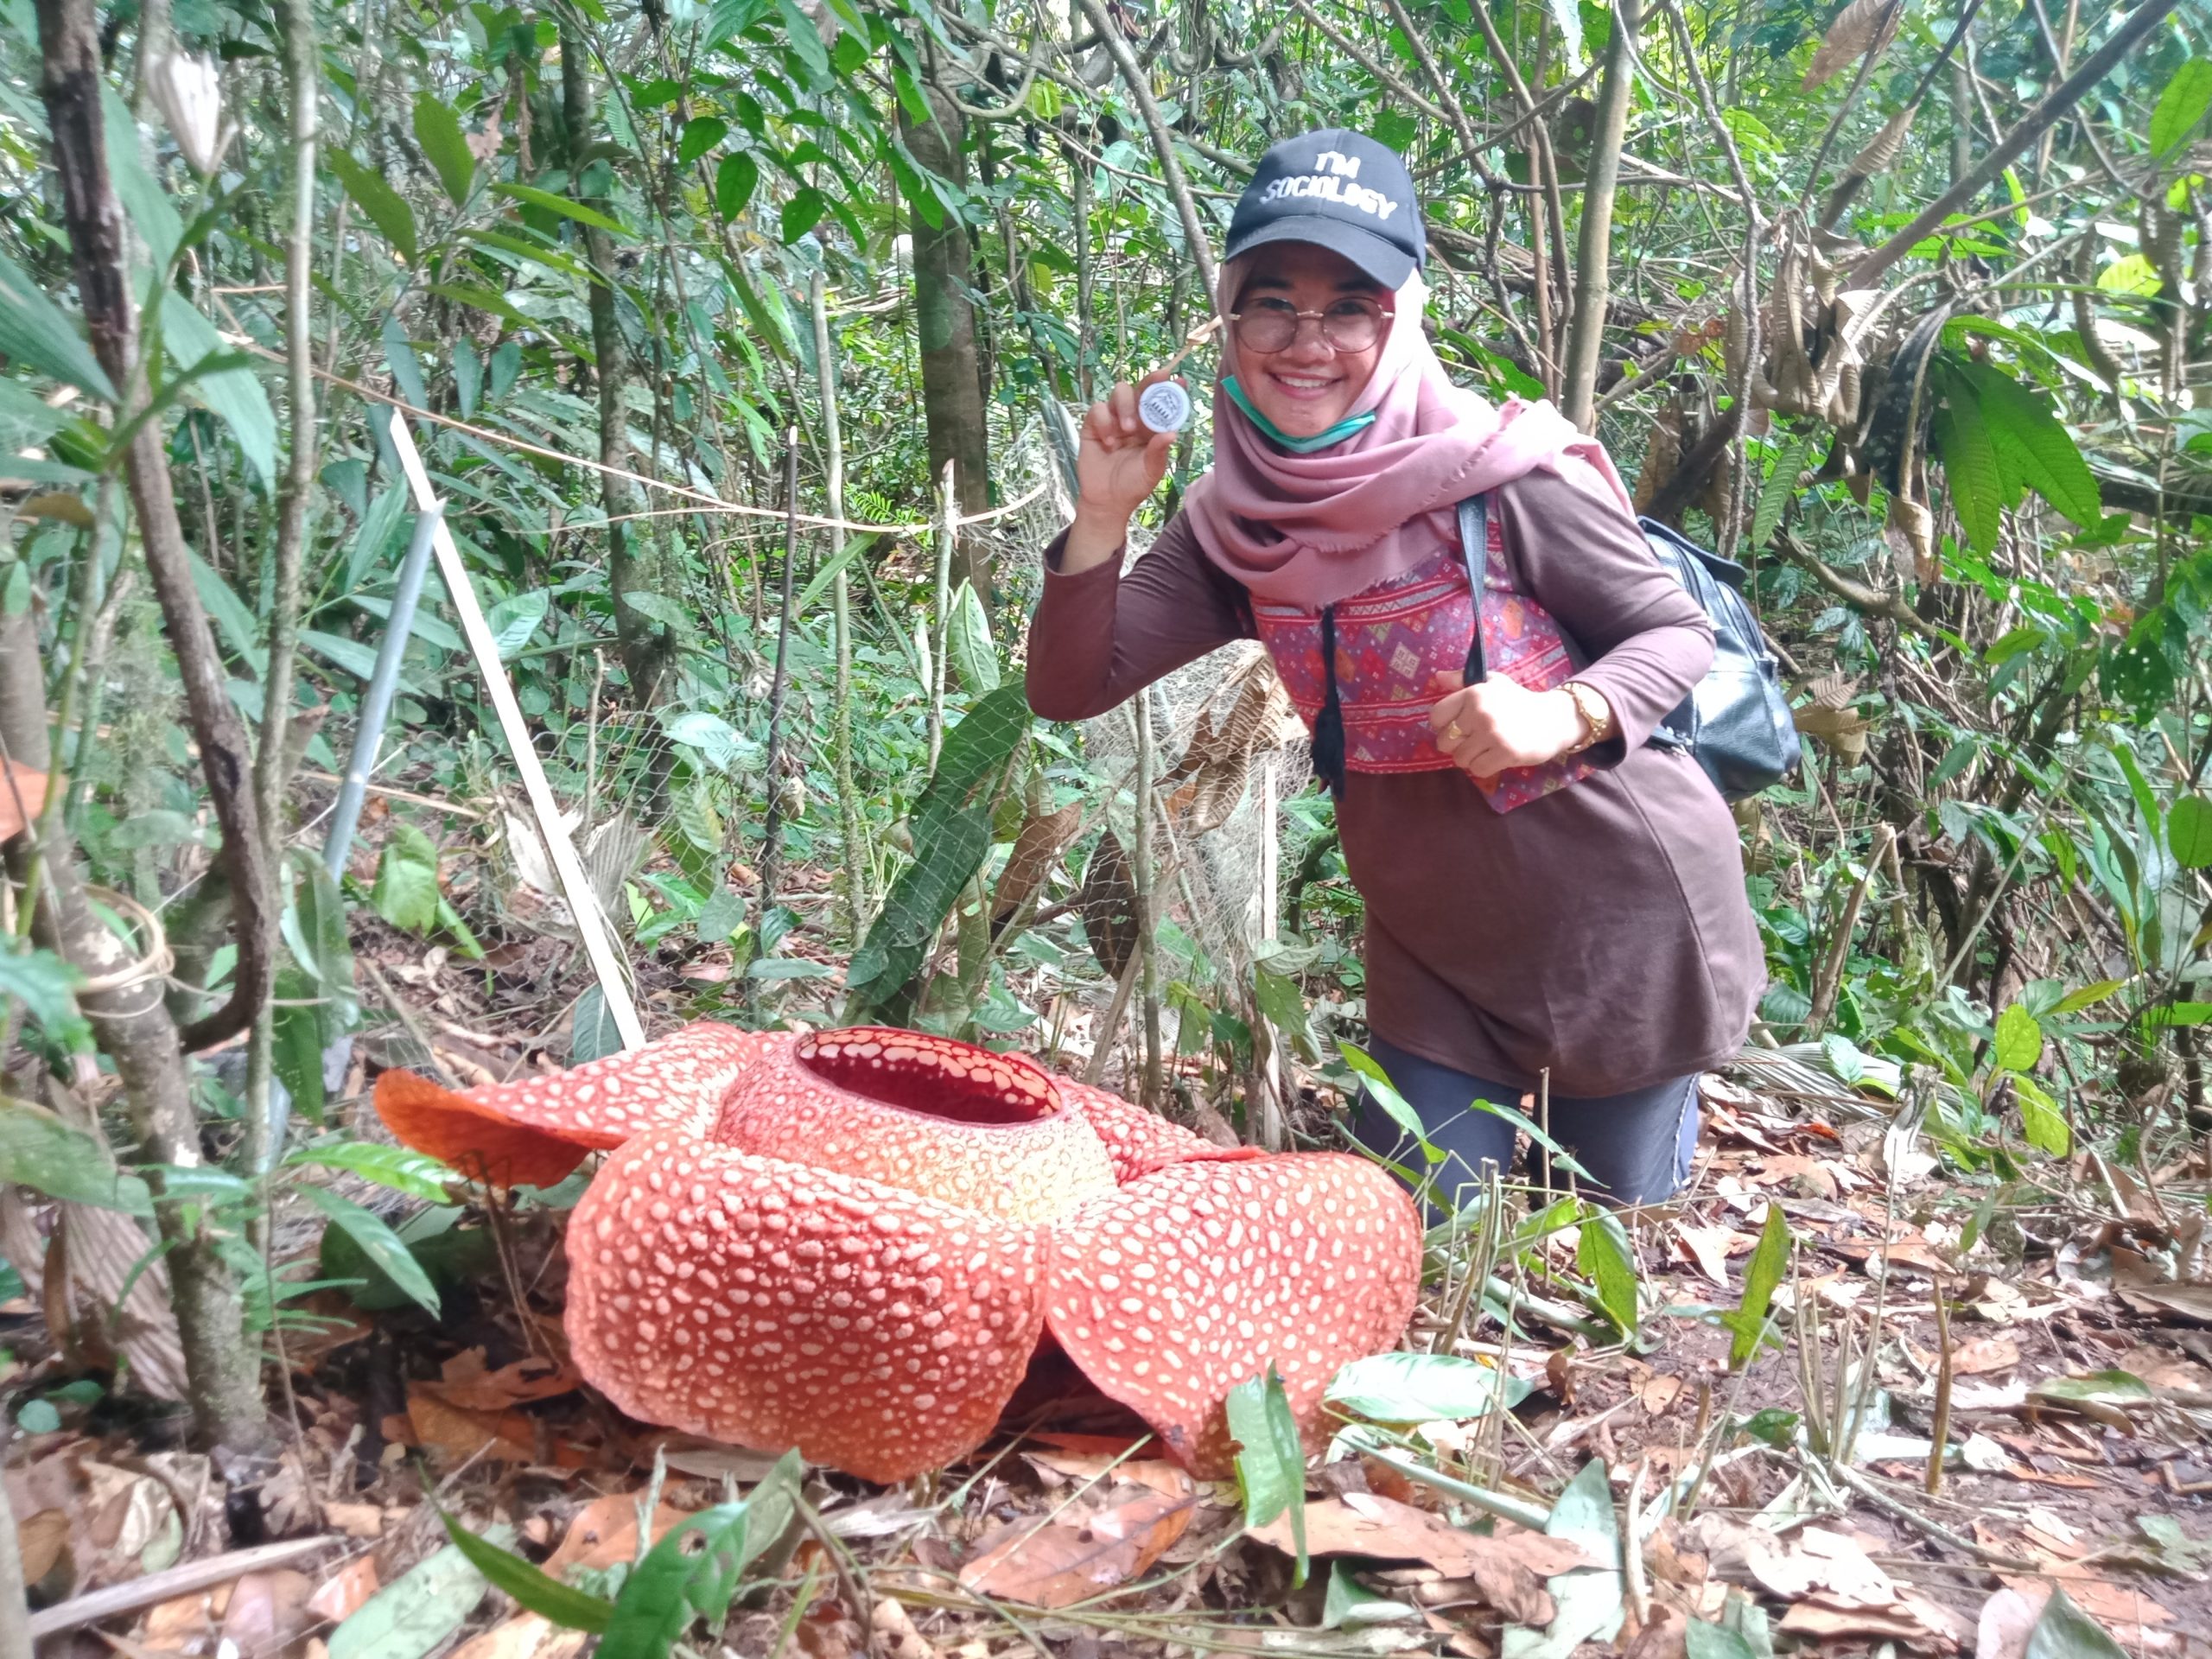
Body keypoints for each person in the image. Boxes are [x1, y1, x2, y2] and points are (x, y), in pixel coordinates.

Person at [1024, 129, 1765, 1208]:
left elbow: (1673, 632)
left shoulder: (1506, 471)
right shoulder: (1232, 526)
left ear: (1401, 315)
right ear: (1227, 318)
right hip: (1431, 951)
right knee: (1415, 1247)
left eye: (1349, 305)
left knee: (1600, 1252)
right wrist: (1100, 517)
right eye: (1271, 301)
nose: (1304, 339)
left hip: (1616, 927)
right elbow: (1068, 687)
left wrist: (1566, 711)